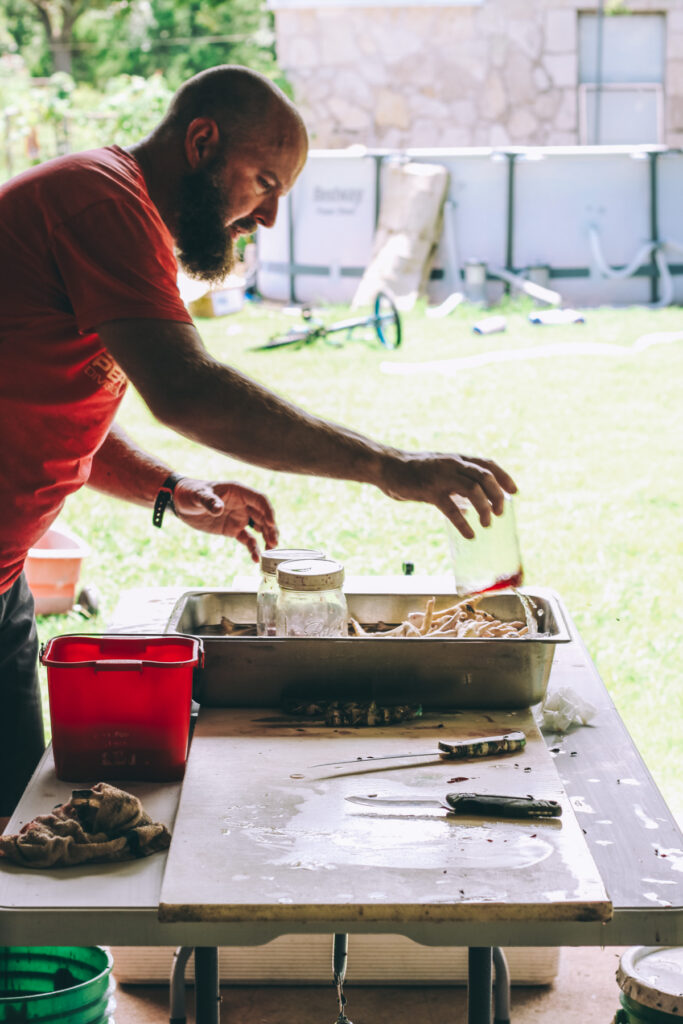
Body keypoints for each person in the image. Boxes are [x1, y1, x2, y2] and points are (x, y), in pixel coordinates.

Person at [0, 64, 517, 820]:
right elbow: (188, 391)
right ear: (202, 142)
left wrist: (172, 491)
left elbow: (46, 412)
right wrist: (386, 466)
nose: (267, 218)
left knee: (14, 829)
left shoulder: (114, 210)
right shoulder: (100, 200)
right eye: (264, 182)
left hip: (6, 579)